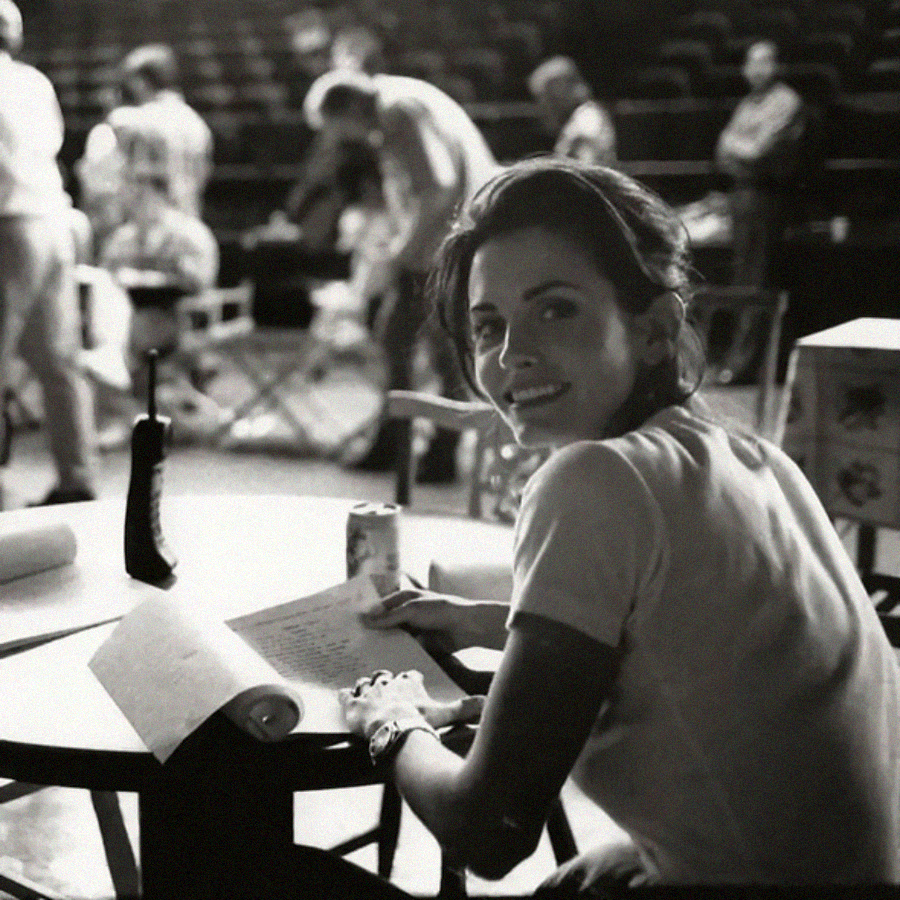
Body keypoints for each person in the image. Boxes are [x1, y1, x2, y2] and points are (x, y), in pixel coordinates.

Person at [327, 158, 900, 894]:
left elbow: (489, 831)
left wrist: (392, 719)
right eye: (489, 325)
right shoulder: (753, 457)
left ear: (657, 329)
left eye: (555, 309)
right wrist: (480, 623)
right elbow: (678, 632)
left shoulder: (592, 481)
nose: (512, 354)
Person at [303, 68, 499, 481]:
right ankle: (433, 444)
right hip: (458, 238)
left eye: (336, 129)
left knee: (397, 336)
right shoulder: (405, 97)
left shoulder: (397, 111)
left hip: (444, 244)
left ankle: (400, 439)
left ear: (348, 108)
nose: (341, 142)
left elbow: (438, 187)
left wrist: (399, 256)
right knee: (442, 348)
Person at [0, 0, 100, 506]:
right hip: (54, 221)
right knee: (60, 360)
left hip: (8, 225)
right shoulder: (34, 81)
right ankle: (77, 477)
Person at [713, 39, 804, 382]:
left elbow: (757, 152)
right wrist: (740, 148)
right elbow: (722, 152)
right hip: (742, 196)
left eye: (764, 62)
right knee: (742, 278)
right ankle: (743, 360)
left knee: (758, 280)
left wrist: (737, 146)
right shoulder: (748, 104)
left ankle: (746, 365)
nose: (756, 69)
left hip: (767, 198)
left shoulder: (786, 101)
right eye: (751, 62)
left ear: (777, 65)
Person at [108, 44, 213, 219]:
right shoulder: (196, 122)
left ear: (139, 82)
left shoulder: (129, 120)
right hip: (189, 217)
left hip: (150, 221)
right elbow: (204, 173)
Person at [528, 56, 617, 167]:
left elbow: (587, 169)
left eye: (548, 97)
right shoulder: (581, 118)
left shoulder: (587, 119)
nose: (544, 106)